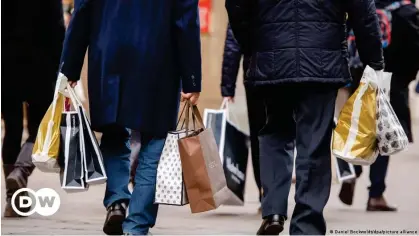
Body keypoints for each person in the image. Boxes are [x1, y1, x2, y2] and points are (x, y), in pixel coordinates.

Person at [226, 0, 384, 235]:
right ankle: (306, 225)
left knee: (274, 133)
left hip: (273, 55)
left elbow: (237, 7)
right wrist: (374, 61)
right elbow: (364, 11)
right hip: (322, 62)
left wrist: (256, 45)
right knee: (314, 142)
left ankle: (273, 211)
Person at [59, 0, 201, 235]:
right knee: (155, 139)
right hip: (159, 59)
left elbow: (82, 11)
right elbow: (186, 22)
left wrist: (70, 67)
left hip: (108, 55)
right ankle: (137, 223)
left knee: (114, 131)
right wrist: (192, 77)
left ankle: (117, 201)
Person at [339, 0, 419, 211]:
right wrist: (405, 79)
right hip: (392, 81)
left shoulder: (363, 5)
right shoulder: (406, 11)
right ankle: (376, 194)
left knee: (363, 131)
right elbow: (414, 50)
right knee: (385, 134)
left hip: (362, 76)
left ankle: (353, 172)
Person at [1, 0, 65, 217]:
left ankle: (14, 201)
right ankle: (21, 170)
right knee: (39, 129)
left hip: (6, 64)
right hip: (41, 66)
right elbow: (57, 28)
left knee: (12, 129)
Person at [220, 24, 264, 210]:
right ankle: (276, 189)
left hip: (256, 72)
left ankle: (265, 189)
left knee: (259, 133)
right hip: (290, 71)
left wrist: (227, 86)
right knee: (283, 133)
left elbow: (233, 39)